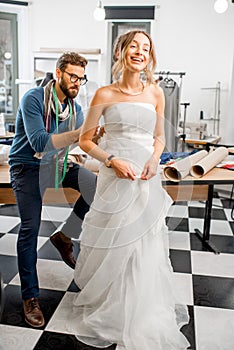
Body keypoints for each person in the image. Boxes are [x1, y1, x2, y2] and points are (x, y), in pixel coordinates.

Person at [67, 31, 190, 349]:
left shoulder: (156, 93)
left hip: (146, 176)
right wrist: (111, 160)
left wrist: (154, 159)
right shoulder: (104, 95)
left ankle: (141, 310)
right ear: (121, 52)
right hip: (115, 175)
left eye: (146, 48)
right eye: (134, 46)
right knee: (116, 240)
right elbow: (85, 141)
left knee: (144, 244)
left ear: (150, 57)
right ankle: (112, 305)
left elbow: (160, 137)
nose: (140, 52)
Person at [8, 52, 97, 328]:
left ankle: (64, 236)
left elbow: (78, 144)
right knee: (29, 230)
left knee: (95, 186)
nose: (77, 83)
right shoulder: (33, 98)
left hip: (56, 164)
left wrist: (97, 140)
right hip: (27, 166)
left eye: (82, 78)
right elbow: (38, 141)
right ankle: (30, 297)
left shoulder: (76, 108)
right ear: (59, 73)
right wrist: (80, 134)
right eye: (73, 76)